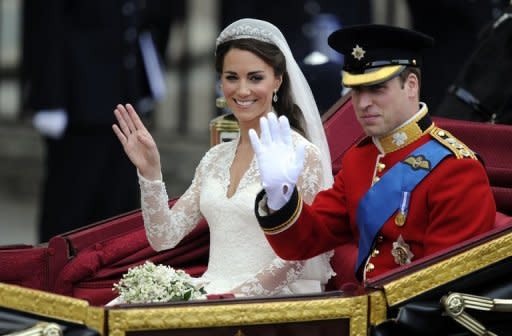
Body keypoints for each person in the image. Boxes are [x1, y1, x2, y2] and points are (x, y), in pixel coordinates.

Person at [249, 24, 496, 283]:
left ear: (411, 85)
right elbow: (304, 242)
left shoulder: (456, 168)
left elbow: (446, 283)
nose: (363, 103)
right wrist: (280, 197)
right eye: (356, 90)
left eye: (377, 89)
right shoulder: (360, 158)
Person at [111, 18, 335, 298]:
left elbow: (295, 259)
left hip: (271, 301)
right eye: (232, 77)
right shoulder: (215, 158)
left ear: (277, 80)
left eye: (255, 78)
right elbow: (164, 237)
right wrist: (151, 173)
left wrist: (228, 301)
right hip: (212, 291)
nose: (242, 90)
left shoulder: (302, 154)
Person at [21, 0, 182, 242]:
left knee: (118, 208)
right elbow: (44, 24)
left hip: (124, 90)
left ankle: (108, 275)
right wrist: (49, 99)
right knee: (71, 206)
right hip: (77, 101)